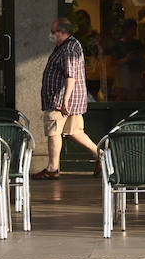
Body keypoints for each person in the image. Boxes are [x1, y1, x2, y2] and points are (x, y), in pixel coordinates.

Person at [33, 18, 100, 180]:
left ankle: (52, 169)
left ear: (62, 32)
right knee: (75, 132)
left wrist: (64, 101)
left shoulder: (69, 48)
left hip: (60, 100)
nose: (50, 35)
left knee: (54, 131)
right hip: (66, 99)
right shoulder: (65, 46)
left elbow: (71, 76)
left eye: (52, 32)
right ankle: (103, 156)